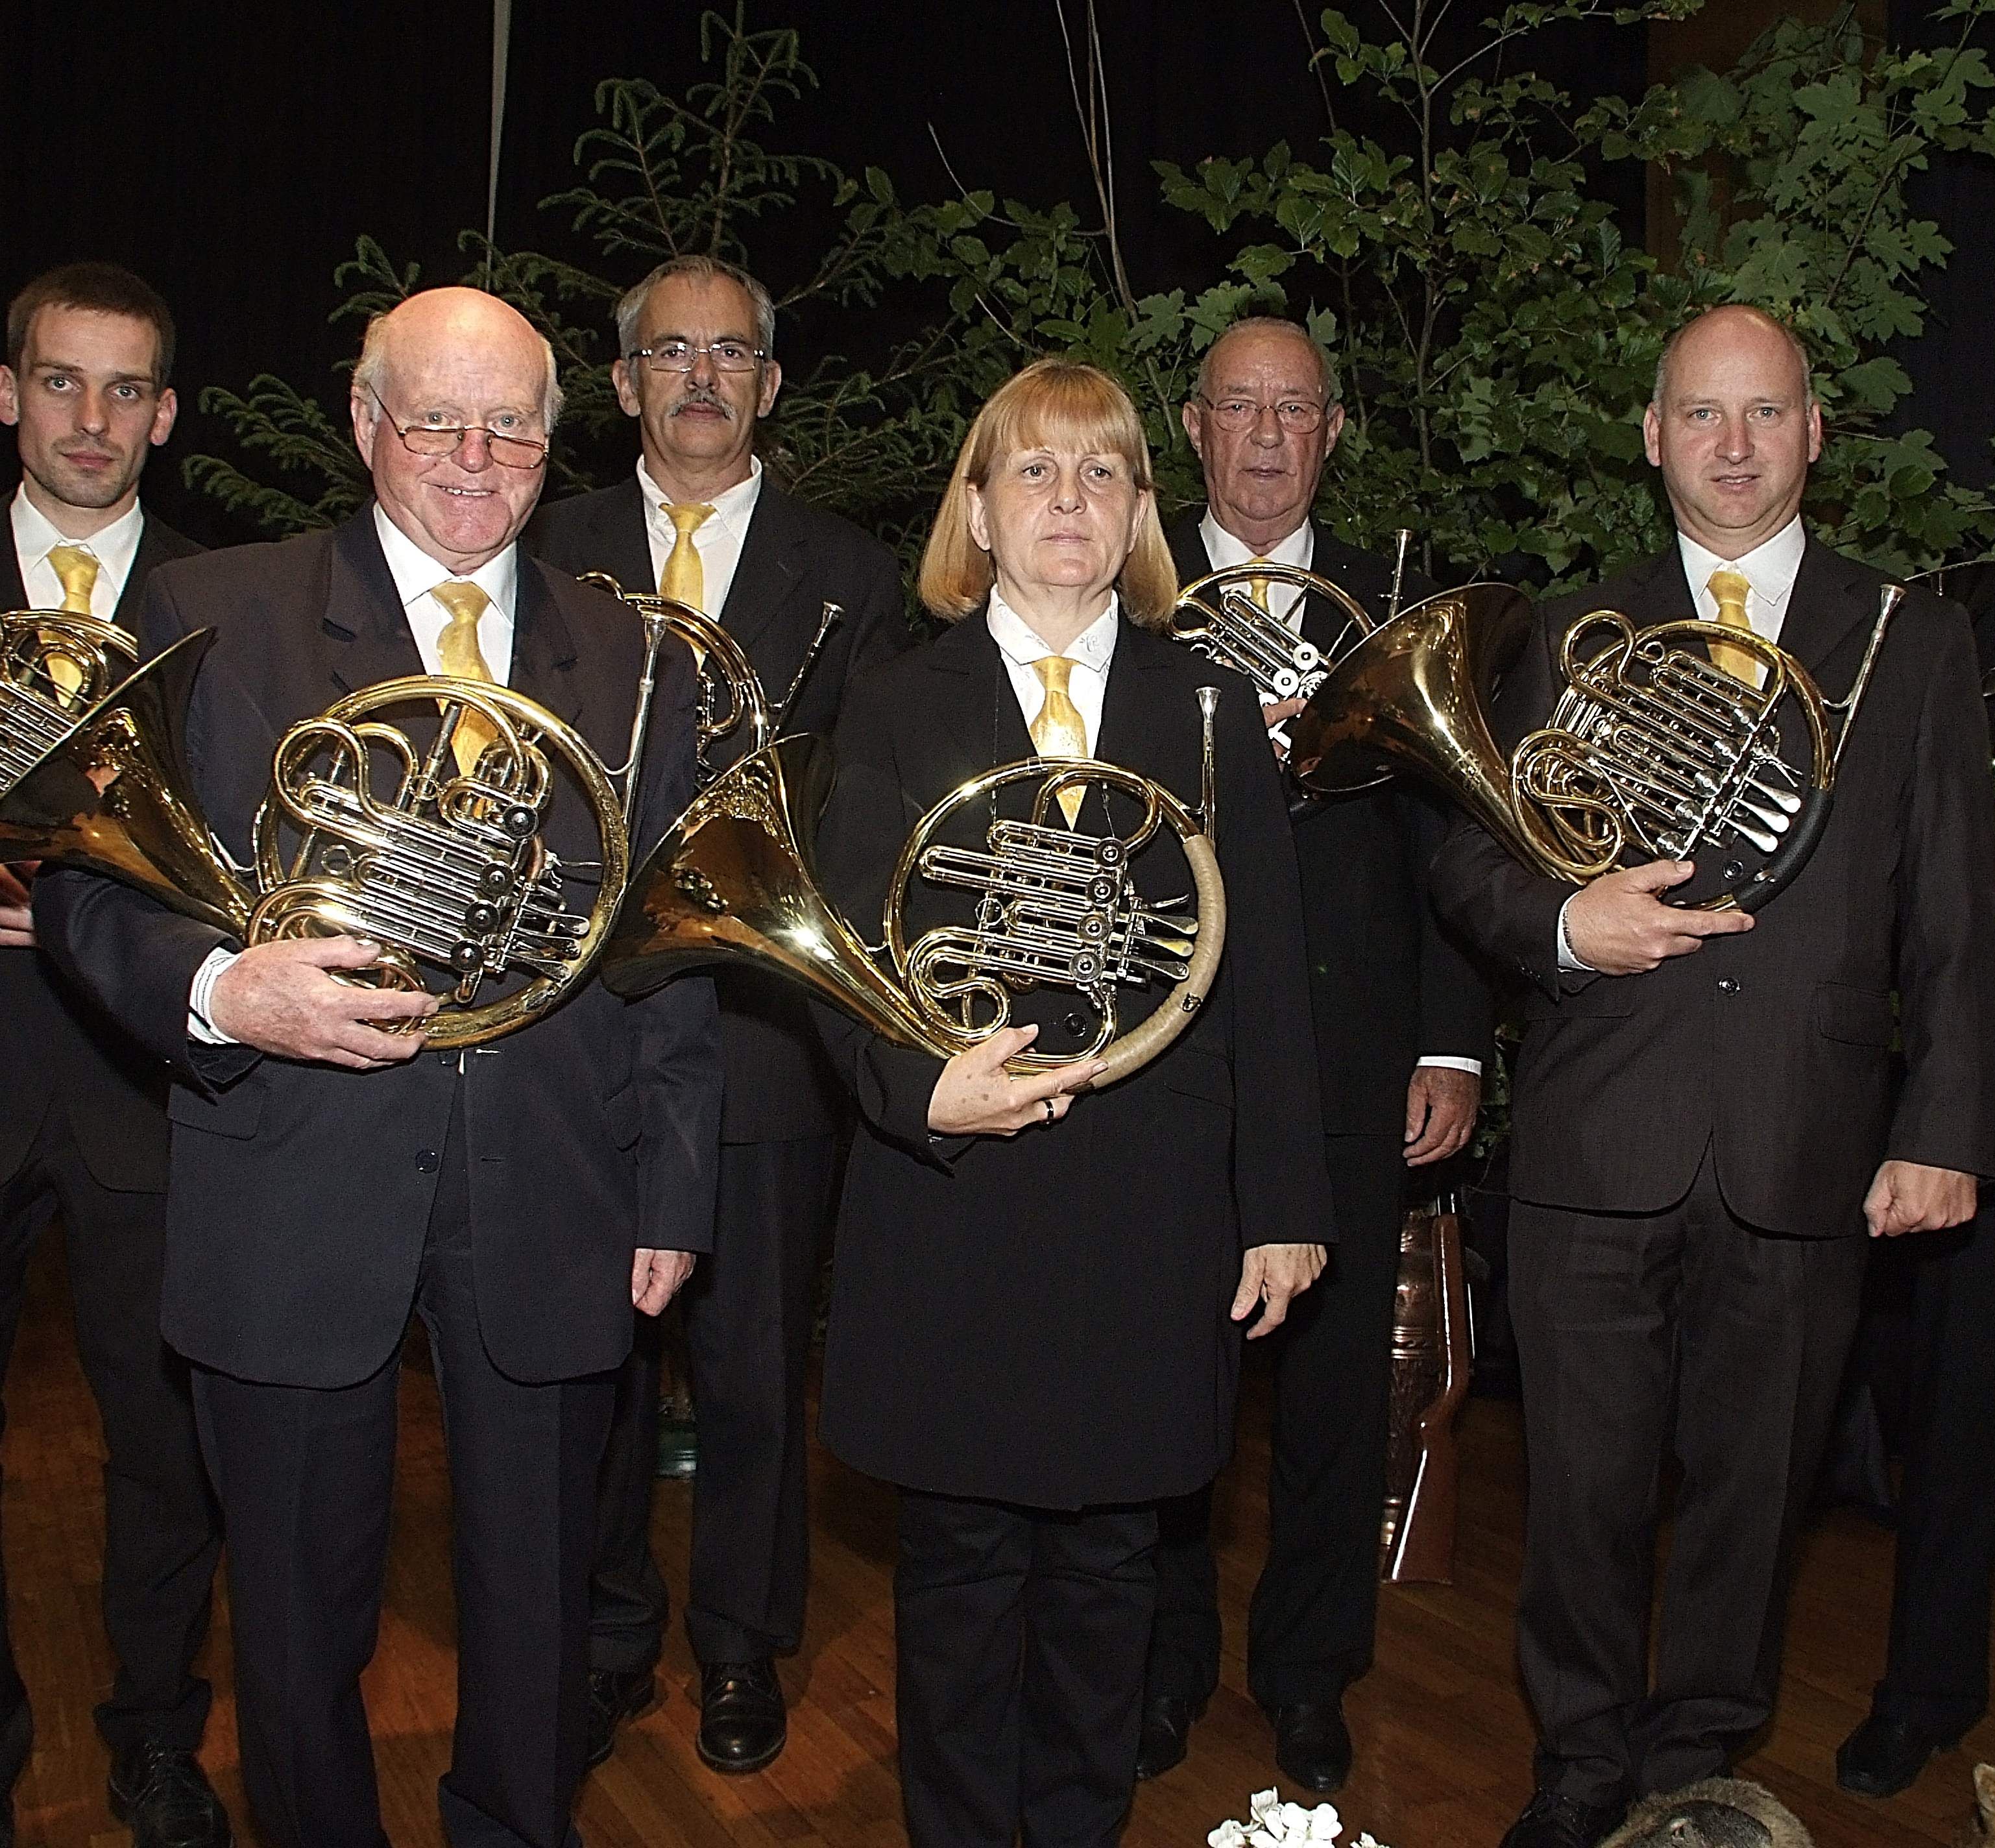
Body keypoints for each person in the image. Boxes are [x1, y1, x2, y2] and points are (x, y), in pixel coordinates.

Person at [36, 287, 723, 1848]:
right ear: (364, 423)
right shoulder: (212, 614)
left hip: (555, 1181)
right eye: (437, 422)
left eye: (513, 429)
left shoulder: (630, 650)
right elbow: (89, 885)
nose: (476, 461)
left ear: (557, 441)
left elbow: (667, 944)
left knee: (540, 1616)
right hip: (294, 1171)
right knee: (288, 1619)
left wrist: (672, 1183)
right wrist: (222, 987)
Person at [1427, 304, 1995, 1848]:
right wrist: (1561, 919)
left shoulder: (1911, 638)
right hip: (1602, 1130)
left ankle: (1696, 1768)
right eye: (1699, 414)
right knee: (1582, 1491)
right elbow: (1464, 864)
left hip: (1804, 1134)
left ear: (1815, 429)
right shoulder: (1559, 629)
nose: (1732, 445)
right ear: (1650, 434)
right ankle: (1582, 1761)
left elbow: (1951, 907)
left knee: (1759, 1494)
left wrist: (1941, 1122)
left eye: (1763, 413)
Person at [810, 357, 1334, 1847]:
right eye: (1033, 471)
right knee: (962, 1570)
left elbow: (1268, 980)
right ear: (975, 507)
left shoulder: (1215, 708)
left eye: (1101, 473)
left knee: (1113, 1569)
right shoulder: (899, 699)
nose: (1069, 500)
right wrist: (923, 1092)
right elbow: (841, 962)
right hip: (958, 1195)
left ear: (1139, 514)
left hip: (1151, 1200)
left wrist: (1284, 1202)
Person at [529, 252, 906, 1777]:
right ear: (621, 384)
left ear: (767, 383)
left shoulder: (853, 572)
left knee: (752, 1356)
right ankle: (608, 1628)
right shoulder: (538, 541)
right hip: (566, 1021)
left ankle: (741, 1638)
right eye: (668, 353)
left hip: (759, 1027)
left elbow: (869, 805)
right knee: (590, 1352)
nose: (699, 377)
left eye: (730, 353)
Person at [1143, 316, 1489, 1794]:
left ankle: (1307, 1672)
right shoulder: (1125, 575)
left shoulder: (1395, 600)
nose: (1270, 435)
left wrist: (1452, 1042)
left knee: (1342, 1394)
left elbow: (1455, 832)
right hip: (1172, 1050)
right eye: (1242, 407)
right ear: (1193, 424)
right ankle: (1156, 1666)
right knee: (1168, 1382)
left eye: (1297, 409)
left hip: (1354, 1050)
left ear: (1332, 430)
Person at [0, 263, 223, 1848]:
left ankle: (155, 1732)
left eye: (125, 388)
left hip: (151, 1084)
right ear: (6, 391)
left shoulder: (233, 606)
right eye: (63, 381)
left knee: (166, 1446)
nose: (95, 417)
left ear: (163, 411)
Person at [1834, 337, 1995, 1797]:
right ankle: (1922, 1688)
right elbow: (1875, 811)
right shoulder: (1964, 616)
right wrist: (1985, 820)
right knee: (1960, 1410)